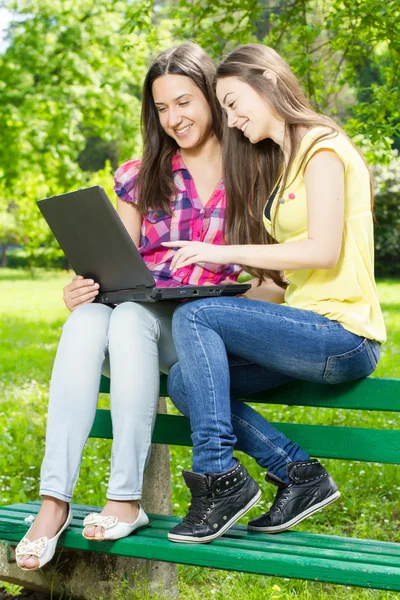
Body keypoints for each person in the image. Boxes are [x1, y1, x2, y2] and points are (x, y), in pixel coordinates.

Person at [15, 41, 243, 570]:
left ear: (211, 95)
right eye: (162, 108)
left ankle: (126, 498)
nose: (174, 118)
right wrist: (82, 287)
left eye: (184, 102)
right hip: (131, 321)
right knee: (91, 316)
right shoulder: (144, 174)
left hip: (196, 327)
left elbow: (270, 274)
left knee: (134, 317)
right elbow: (113, 260)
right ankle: (54, 502)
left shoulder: (250, 168)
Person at [163, 43, 386, 544]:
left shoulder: (323, 147)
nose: (233, 118)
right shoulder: (285, 163)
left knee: (200, 319)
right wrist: (231, 305)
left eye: (234, 102)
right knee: (183, 381)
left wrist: (217, 257)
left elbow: (323, 250)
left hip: (344, 334)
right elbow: (289, 285)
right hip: (309, 327)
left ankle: (218, 482)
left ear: (267, 80)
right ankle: (298, 474)